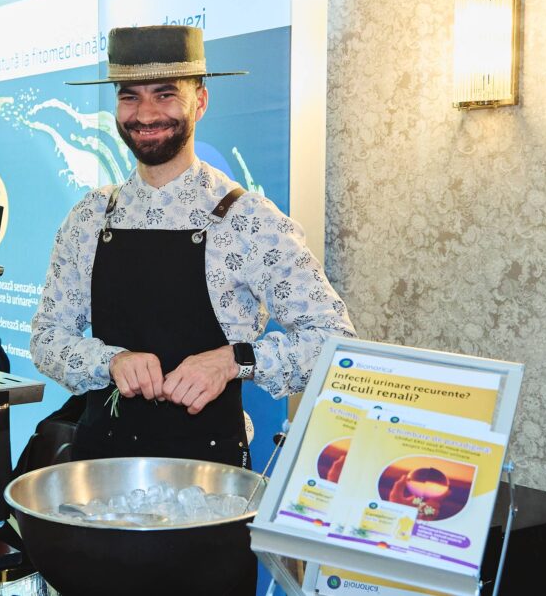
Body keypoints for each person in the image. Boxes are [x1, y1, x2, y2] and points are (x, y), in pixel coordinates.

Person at [31, 25, 357, 468]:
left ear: (200, 101)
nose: (145, 114)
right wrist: (109, 360)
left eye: (165, 95)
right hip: (100, 467)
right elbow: (47, 338)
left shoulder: (249, 219)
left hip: (209, 475)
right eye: (130, 97)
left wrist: (234, 360)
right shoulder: (91, 217)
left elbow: (334, 343)